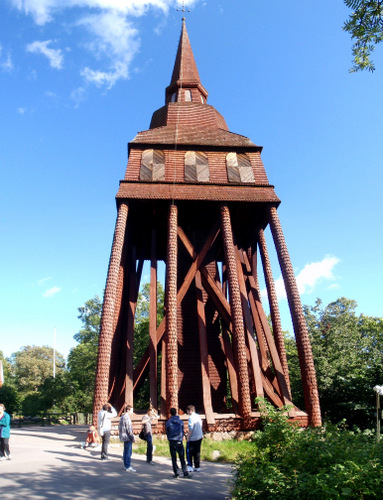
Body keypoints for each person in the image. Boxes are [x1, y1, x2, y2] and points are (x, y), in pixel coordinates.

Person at [166, 408, 190, 478]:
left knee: (174, 458)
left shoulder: (168, 422)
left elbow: (167, 431)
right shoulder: (180, 422)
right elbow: (182, 430)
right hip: (179, 440)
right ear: (176, 413)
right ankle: (185, 472)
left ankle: (176, 472)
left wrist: (169, 438)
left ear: (170, 413)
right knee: (182, 457)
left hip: (172, 441)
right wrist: (181, 437)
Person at [186, 405, 203, 471]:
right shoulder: (198, 416)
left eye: (187, 411)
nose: (187, 413)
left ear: (190, 411)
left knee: (189, 452)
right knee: (197, 452)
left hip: (193, 437)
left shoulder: (191, 418)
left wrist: (188, 437)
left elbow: (191, 428)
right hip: (199, 436)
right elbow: (200, 425)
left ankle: (190, 466)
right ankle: (197, 466)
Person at [119, 405, 135, 472]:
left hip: (124, 436)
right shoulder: (127, 417)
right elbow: (129, 429)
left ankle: (126, 465)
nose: (132, 412)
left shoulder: (122, 416)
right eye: (131, 410)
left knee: (125, 451)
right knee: (128, 452)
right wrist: (132, 437)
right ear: (128, 410)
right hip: (128, 437)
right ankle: (128, 466)